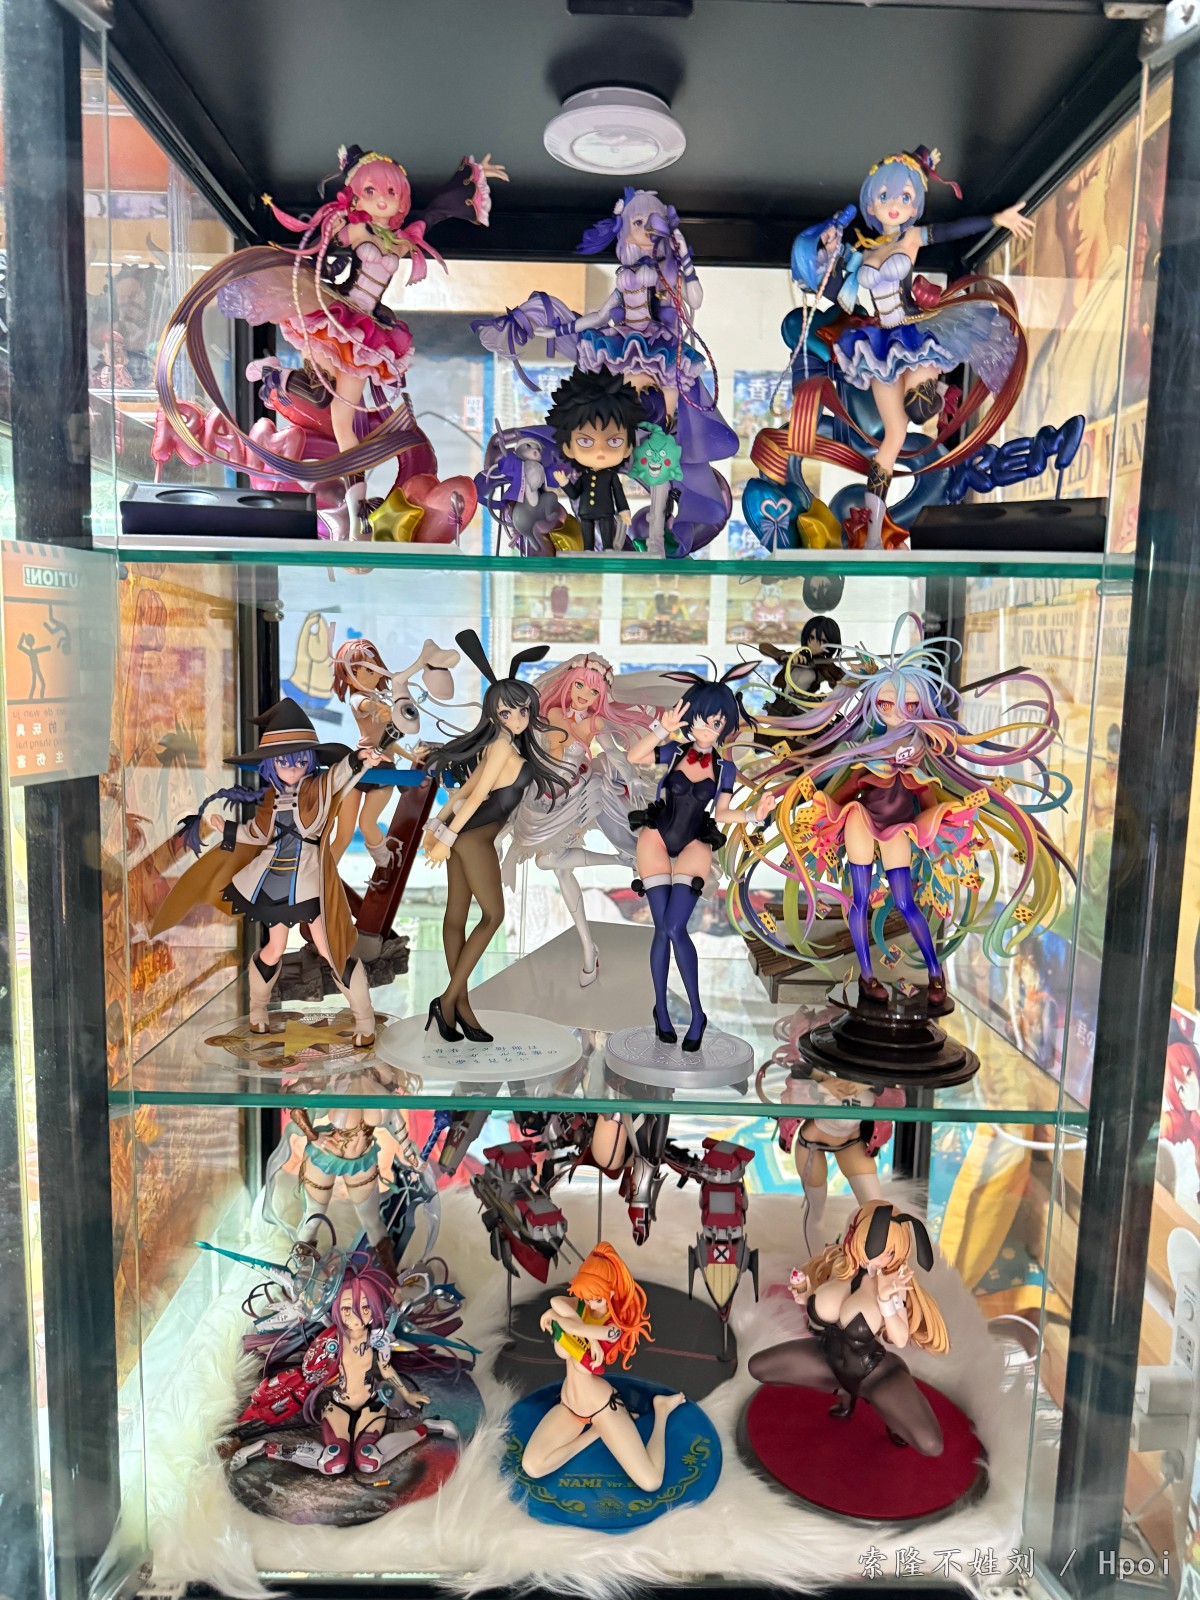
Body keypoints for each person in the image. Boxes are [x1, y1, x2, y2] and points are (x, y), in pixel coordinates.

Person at [150, 698, 386, 1045]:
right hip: (273, 879)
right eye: (284, 762)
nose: (293, 769)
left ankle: (364, 1020)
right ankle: (257, 1011)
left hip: (309, 879)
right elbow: (258, 833)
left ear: (310, 761)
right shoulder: (270, 799)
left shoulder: (316, 788)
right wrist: (228, 829)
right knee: (275, 947)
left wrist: (360, 759)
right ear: (271, 765)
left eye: (300, 761)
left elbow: (339, 775)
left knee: (330, 949)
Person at [422, 631, 570, 1043]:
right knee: (492, 917)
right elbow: (475, 798)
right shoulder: (503, 747)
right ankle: (447, 1000)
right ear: (494, 714)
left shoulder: (500, 745)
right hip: (473, 839)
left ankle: (459, 1008)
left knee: (456, 916)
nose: (517, 718)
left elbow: (464, 791)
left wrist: (439, 824)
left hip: (467, 836)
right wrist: (445, 836)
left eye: (522, 710)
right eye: (507, 712)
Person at [626, 666, 772, 1050]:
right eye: (701, 719)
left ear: (725, 727)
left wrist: (754, 814)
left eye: (715, 722)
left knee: (675, 927)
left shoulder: (725, 767)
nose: (706, 728)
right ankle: (660, 1009)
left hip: (695, 841)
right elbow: (634, 755)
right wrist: (661, 728)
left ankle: (696, 1012)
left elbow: (722, 813)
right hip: (656, 838)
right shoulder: (674, 750)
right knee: (661, 930)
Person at [749, 1202, 948, 1456]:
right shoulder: (839, 1265)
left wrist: (886, 1300)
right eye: (878, 1247)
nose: (882, 1257)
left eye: (890, 1252)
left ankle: (885, 1414)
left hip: (874, 1374)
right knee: (758, 1366)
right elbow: (821, 1304)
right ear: (856, 1235)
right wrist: (805, 1293)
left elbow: (900, 1339)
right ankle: (844, 1392)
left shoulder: (891, 1286)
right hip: (827, 1358)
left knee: (931, 1445)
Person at [521, 1241, 684, 1490]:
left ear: (611, 1293)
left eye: (596, 1299)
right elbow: (556, 1302)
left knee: (651, 1481)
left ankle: (661, 1410)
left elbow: (570, 1325)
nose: (589, 1304)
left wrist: (564, 1322)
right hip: (569, 1406)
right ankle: (594, 1434)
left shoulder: (612, 1329)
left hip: (602, 1408)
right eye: (585, 1297)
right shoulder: (581, 1308)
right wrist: (577, 1327)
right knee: (532, 1466)